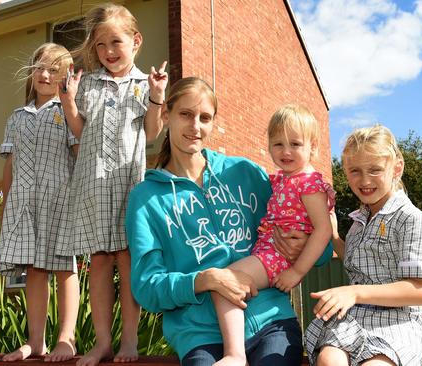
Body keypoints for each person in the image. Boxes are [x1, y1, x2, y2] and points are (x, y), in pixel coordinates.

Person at [125, 77, 332, 366]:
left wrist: (304, 248)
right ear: (166, 114)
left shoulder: (244, 172)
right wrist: (204, 279)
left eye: (205, 118)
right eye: (185, 114)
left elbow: (317, 240)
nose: (195, 126)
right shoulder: (145, 199)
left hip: (269, 320)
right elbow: (147, 287)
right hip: (200, 334)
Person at [57, 4, 168, 365]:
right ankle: (103, 342)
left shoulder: (143, 85)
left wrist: (156, 96)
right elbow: (79, 132)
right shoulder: (88, 82)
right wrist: (69, 102)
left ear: (135, 41)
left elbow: (152, 134)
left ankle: (130, 341)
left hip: (127, 184)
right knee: (100, 262)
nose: (108, 51)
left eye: (115, 42)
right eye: (100, 44)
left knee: (127, 258)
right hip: (92, 183)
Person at [305, 125, 422, 366]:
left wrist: (353, 292)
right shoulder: (360, 221)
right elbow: (363, 264)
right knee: (328, 360)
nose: (364, 180)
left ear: (396, 168)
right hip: (359, 317)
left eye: (375, 170)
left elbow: (420, 291)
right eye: (355, 170)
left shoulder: (412, 219)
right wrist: (335, 237)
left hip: (402, 320)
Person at [211, 105, 335, 366]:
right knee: (226, 285)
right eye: (277, 143)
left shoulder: (309, 184)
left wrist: (297, 272)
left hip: (276, 257)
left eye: (295, 144)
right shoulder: (282, 179)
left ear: (313, 147)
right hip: (268, 252)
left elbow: (323, 230)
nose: (285, 151)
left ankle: (234, 354)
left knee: (223, 283)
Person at [0, 42, 79, 362]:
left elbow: (78, 153)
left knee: (64, 268)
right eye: (40, 67)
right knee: (34, 270)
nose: (45, 74)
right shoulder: (17, 117)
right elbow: (10, 163)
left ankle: (66, 338)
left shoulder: (68, 112)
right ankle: (35, 341)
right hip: (25, 204)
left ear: (65, 76)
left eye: (54, 70)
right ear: (31, 72)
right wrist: (7, 204)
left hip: (60, 200)